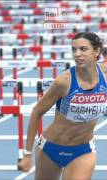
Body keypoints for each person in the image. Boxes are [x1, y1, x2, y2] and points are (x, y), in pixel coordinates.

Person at [18, 32, 105, 179]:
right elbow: (37, 112)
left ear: (96, 51)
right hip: (51, 149)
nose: (77, 54)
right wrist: (27, 154)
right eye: (73, 50)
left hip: (83, 150)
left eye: (83, 49)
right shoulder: (63, 82)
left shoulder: (105, 76)